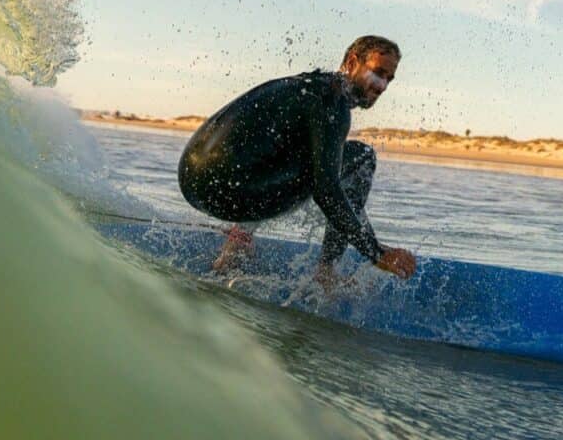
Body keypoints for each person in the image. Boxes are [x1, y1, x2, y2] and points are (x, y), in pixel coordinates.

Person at [177, 35, 416, 283]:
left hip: (193, 182)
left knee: (312, 159)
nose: (382, 86)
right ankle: (326, 272)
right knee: (362, 158)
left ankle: (239, 238)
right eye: (378, 72)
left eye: (389, 78)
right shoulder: (332, 103)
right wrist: (376, 252)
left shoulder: (310, 86)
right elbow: (326, 190)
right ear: (353, 62)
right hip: (226, 195)